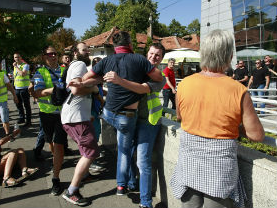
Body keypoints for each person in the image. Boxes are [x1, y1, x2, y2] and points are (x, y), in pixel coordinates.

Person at [170, 29, 264, 208]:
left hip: (189, 162)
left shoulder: (185, 84)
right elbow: (257, 135)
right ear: (229, 56)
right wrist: (233, 126)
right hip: (218, 169)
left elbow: (180, 116)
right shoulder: (238, 90)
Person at [69, 31, 163, 196]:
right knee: (125, 150)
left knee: (127, 146)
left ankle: (131, 181)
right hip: (127, 117)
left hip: (108, 113)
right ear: (131, 45)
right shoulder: (140, 60)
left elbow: (86, 77)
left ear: (114, 46)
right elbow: (158, 76)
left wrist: (89, 80)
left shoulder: (107, 61)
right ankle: (121, 185)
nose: (153, 57)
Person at [103, 43, 166, 208]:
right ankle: (130, 183)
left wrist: (119, 80)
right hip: (132, 118)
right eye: (151, 53)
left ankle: (146, 202)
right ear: (146, 54)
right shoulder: (137, 69)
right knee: (127, 153)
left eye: (157, 55)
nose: (153, 57)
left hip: (148, 122)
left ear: (161, 59)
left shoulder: (160, 77)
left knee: (143, 161)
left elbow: (140, 89)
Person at [61, 42, 100, 206]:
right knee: (90, 152)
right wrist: (93, 88)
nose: (88, 51)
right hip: (75, 118)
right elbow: (76, 90)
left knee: (88, 151)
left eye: (88, 49)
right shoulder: (78, 65)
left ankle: (81, 178)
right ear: (76, 53)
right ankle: (72, 191)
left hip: (78, 116)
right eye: (84, 49)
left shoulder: (78, 66)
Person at [32, 46, 67, 196]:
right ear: (44, 57)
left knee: (59, 145)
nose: (53, 56)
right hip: (46, 114)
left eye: (55, 53)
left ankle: (55, 178)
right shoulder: (40, 72)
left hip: (63, 114)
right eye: (49, 54)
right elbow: (37, 93)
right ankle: (56, 161)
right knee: (51, 142)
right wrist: (54, 89)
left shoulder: (65, 70)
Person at [0, 121, 38, 187]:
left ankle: (24, 170)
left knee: (20, 150)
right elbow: (0, 142)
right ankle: (6, 179)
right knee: (12, 153)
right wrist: (13, 134)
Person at [13, 52, 32, 127]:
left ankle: (28, 121)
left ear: (21, 58)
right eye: (15, 57)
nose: (16, 59)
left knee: (26, 105)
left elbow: (22, 74)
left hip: (24, 88)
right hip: (17, 88)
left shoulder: (25, 65)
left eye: (18, 57)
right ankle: (22, 118)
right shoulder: (15, 66)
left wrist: (16, 67)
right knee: (18, 104)